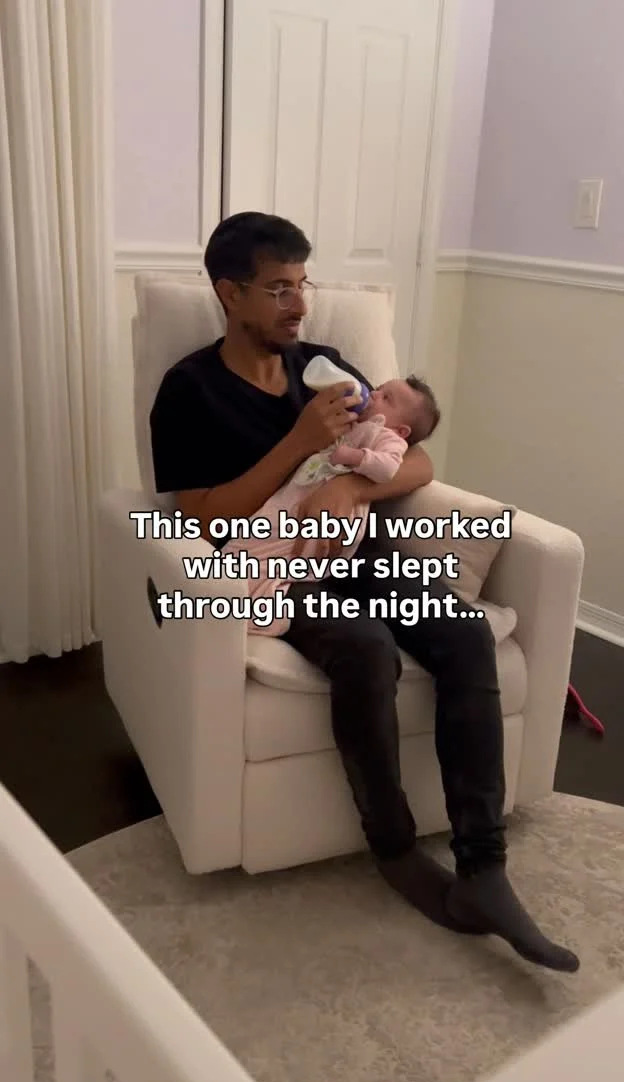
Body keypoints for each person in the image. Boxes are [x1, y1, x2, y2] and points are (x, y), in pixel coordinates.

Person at [150, 211, 579, 974]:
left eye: (303, 285)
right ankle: (395, 848)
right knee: (366, 649)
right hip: (276, 570)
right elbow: (201, 515)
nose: (299, 306)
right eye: (278, 289)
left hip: (358, 556)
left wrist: (348, 486)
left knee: (464, 632)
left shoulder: (328, 367)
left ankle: (483, 867)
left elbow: (414, 461)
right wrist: (298, 445)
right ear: (230, 293)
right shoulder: (189, 390)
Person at [222, 374, 441, 636]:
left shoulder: (385, 435)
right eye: (378, 389)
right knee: (255, 547)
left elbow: (389, 467)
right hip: (300, 502)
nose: (373, 394)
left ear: (401, 431)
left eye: (386, 398)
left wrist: (353, 465)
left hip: (329, 522)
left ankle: (256, 610)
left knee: (272, 557)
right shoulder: (357, 420)